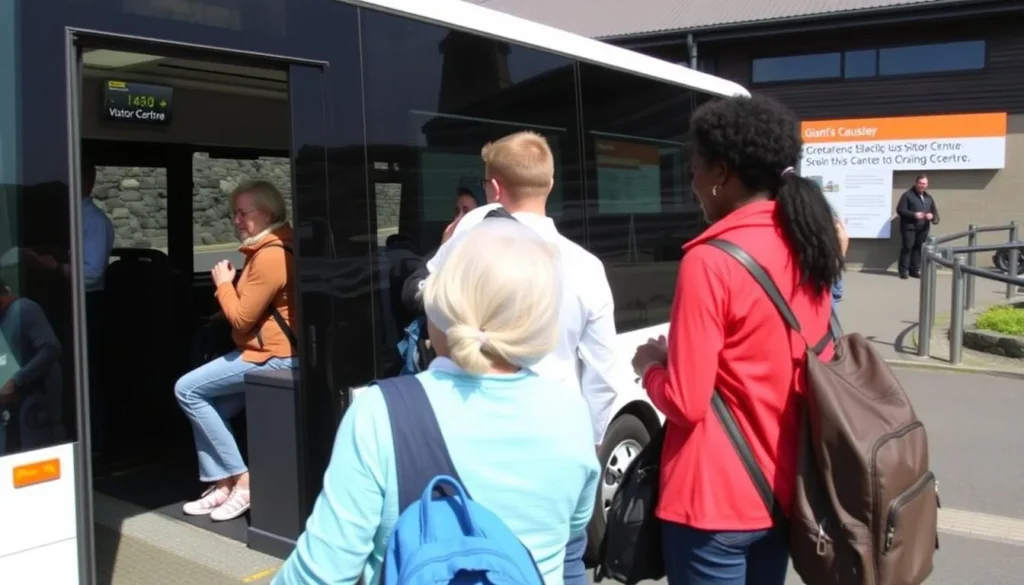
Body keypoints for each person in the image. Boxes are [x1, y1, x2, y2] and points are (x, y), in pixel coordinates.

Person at [274, 219, 600, 585]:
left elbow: (320, 576)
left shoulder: (380, 414)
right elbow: (570, 555)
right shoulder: (572, 414)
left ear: (440, 302)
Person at [630, 95, 843, 585]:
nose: (693, 184)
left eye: (695, 169)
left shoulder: (710, 261)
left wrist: (651, 366)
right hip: (785, 488)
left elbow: (686, 402)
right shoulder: (807, 243)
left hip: (712, 500)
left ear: (721, 172)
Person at [414, 131, 620, 583]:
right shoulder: (587, 265)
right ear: (549, 184)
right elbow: (604, 375)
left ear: (494, 188)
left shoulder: (466, 249)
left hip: (469, 443)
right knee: (563, 563)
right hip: (558, 448)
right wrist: (588, 448)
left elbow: (432, 313)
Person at [176, 180, 298, 522]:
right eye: (235, 213)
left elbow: (242, 321)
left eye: (244, 213)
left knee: (187, 390)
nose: (237, 220)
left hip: (273, 356)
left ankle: (243, 482)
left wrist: (224, 285)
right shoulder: (274, 247)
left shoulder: (271, 255)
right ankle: (223, 484)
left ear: (268, 213)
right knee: (209, 403)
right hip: (270, 351)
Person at [0, 276, 64, 455]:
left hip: (35, 400)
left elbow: (51, 348)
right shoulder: (3, 320)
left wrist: (16, 379)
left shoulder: (24, 309)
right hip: (11, 407)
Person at [896, 175, 940, 279]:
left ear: (927, 185)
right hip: (909, 227)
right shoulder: (907, 195)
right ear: (916, 183)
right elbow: (900, 210)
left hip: (923, 228)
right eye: (920, 183)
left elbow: (934, 212)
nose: (922, 186)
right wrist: (913, 215)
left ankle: (915, 270)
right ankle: (904, 271)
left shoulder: (928, 197)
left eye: (924, 184)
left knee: (918, 248)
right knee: (908, 247)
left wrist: (932, 216)